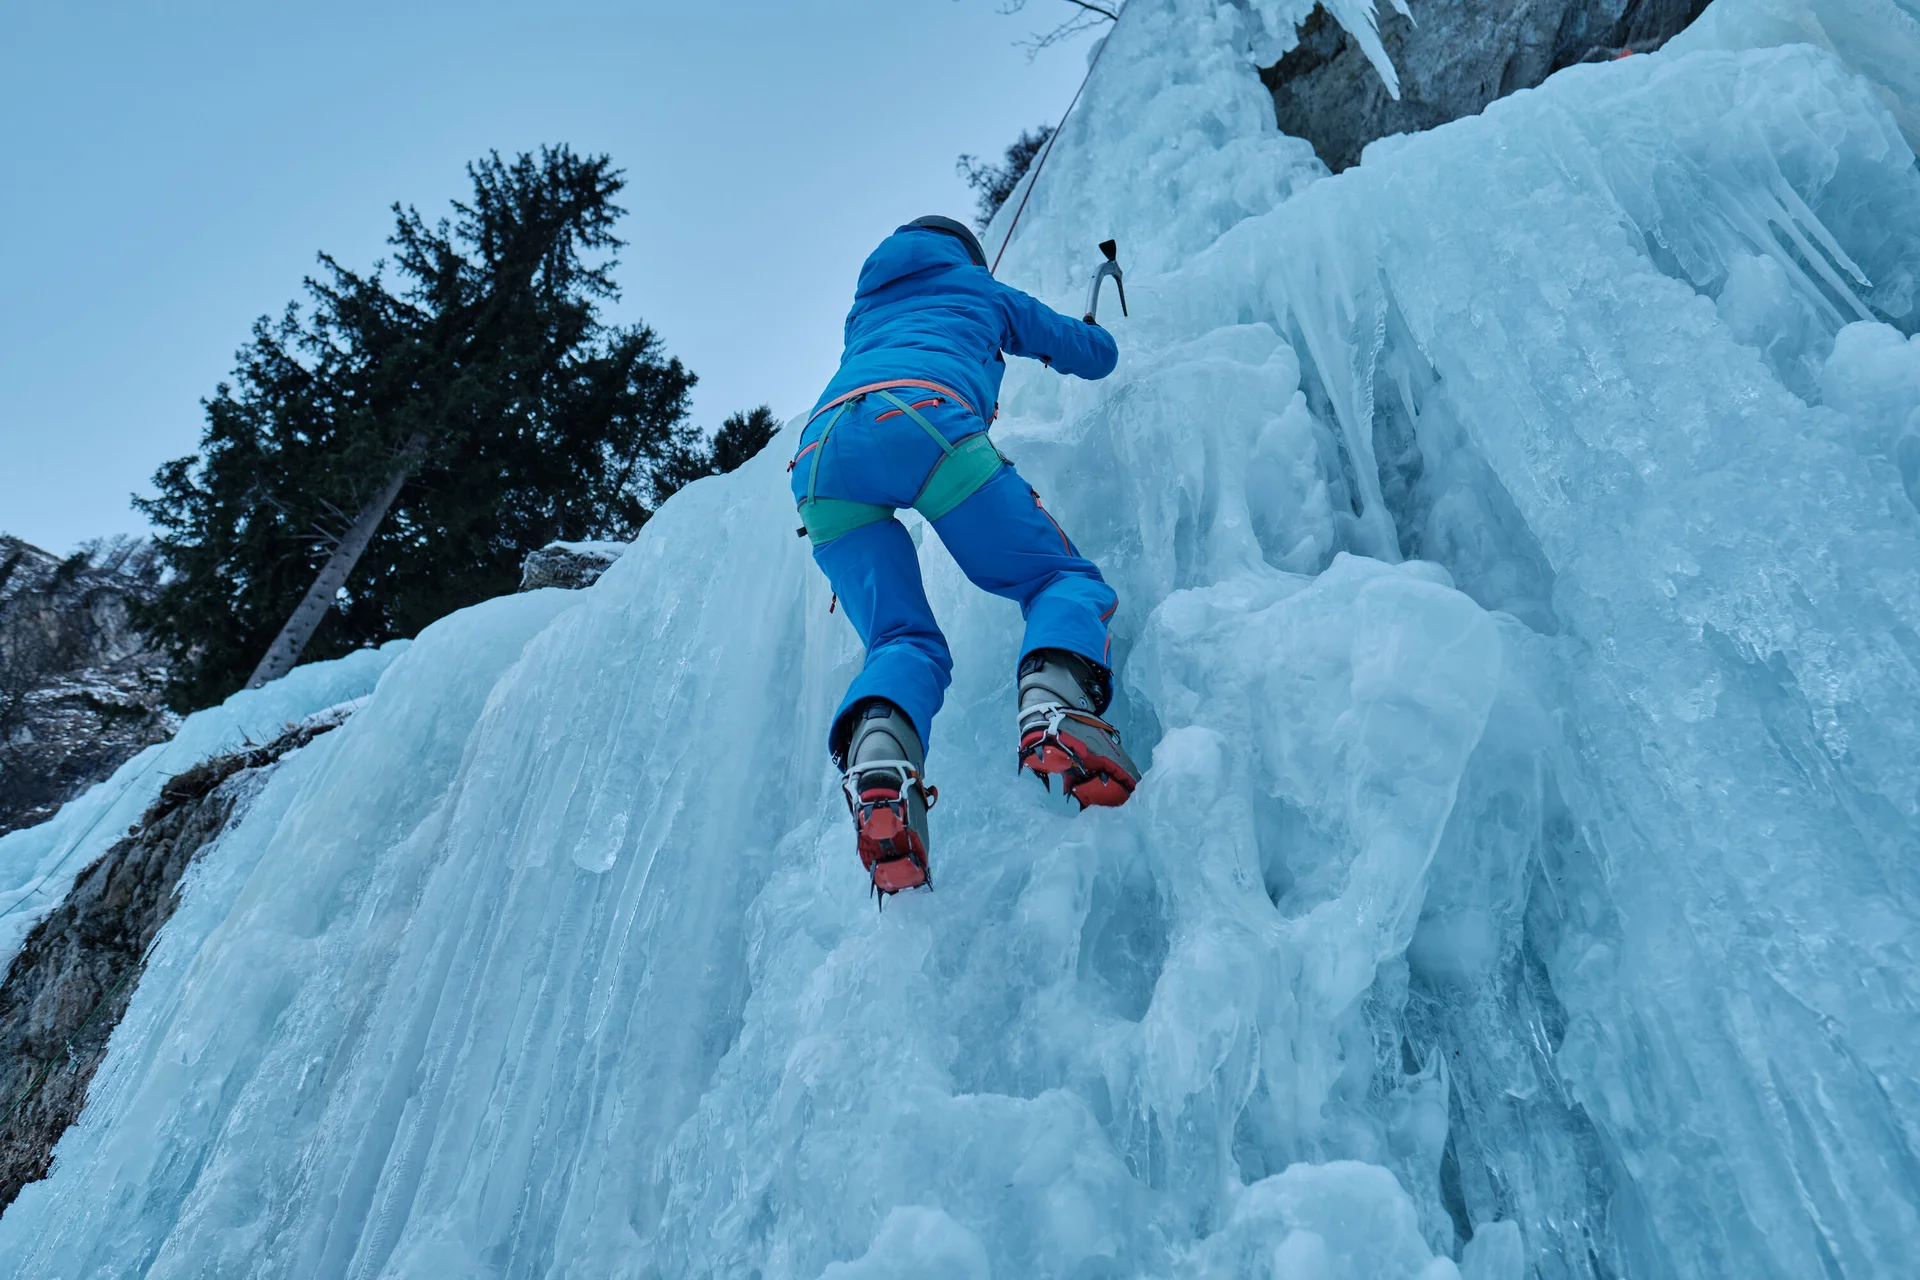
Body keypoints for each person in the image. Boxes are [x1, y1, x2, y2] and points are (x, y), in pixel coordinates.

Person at [789, 215, 1141, 895]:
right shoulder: (979, 289)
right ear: (965, 254)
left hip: (820, 458)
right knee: (1057, 577)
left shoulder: (864, 313)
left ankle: (882, 775)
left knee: (898, 640)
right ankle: (1056, 708)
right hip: (924, 419)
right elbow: (1084, 353)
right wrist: (1099, 338)